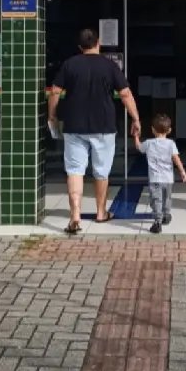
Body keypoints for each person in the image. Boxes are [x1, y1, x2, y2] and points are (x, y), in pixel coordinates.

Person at [48, 29, 141, 234]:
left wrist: (52, 115)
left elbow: (54, 91)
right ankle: (101, 212)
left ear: (80, 47)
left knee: (75, 170)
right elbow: (125, 93)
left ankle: (75, 215)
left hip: (74, 125)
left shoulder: (70, 64)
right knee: (101, 171)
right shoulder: (109, 65)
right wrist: (135, 118)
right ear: (98, 43)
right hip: (103, 126)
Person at [133, 114, 186, 234]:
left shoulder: (149, 143)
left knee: (156, 199)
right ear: (169, 130)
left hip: (155, 179)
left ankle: (157, 221)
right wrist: (182, 171)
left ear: (153, 130)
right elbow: (176, 158)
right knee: (167, 198)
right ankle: (166, 215)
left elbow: (139, 147)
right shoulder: (171, 144)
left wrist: (136, 136)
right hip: (168, 179)